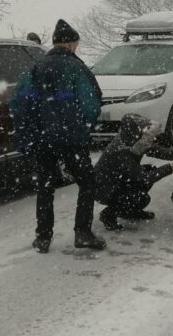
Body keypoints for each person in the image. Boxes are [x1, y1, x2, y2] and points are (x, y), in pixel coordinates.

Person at [11, 18, 107, 253]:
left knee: (46, 185)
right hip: (71, 138)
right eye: (76, 43)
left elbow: (18, 102)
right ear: (71, 44)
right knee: (86, 181)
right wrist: (83, 127)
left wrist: (33, 128)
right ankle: (82, 233)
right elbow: (91, 104)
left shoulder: (36, 68)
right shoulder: (77, 68)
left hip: (42, 138)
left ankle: (43, 237)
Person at [95, 114, 173, 231]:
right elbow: (144, 178)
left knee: (149, 172)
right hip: (103, 188)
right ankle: (108, 215)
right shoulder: (121, 151)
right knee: (139, 197)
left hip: (118, 180)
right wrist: (170, 167)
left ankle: (129, 211)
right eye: (148, 138)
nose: (150, 141)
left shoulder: (135, 141)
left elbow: (160, 152)